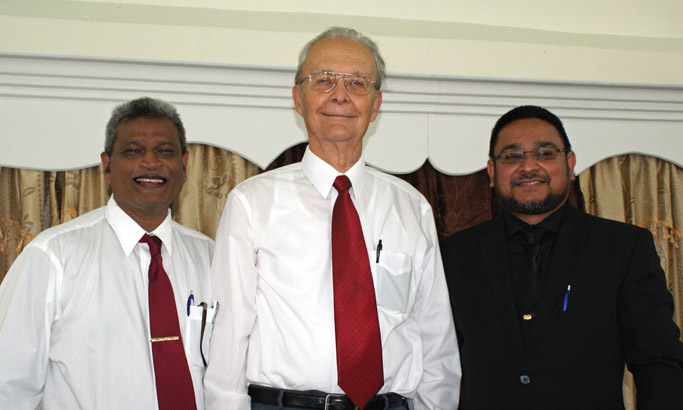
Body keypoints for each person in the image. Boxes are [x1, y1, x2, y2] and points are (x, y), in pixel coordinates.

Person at [205, 27, 461, 410]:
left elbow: (435, 340)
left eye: (357, 83)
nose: (340, 94)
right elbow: (228, 338)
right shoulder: (252, 203)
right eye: (323, 80)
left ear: (375, 106)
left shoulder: (412, 208)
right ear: (298, 98)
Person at [440, 105, 683, 409]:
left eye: (545, 153)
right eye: (512, 156)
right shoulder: (455, 254)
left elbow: (658, 363)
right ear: (492, 172)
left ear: (569, 164)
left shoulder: (622, 248)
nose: (529, 166)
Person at [0, 97, 216, 409]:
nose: (151, 162)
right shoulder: (53, 256)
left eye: (165, 151)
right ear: (106, 164)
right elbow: (9, 386)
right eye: (133, 151)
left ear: (184, 164)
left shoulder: (210, 257)